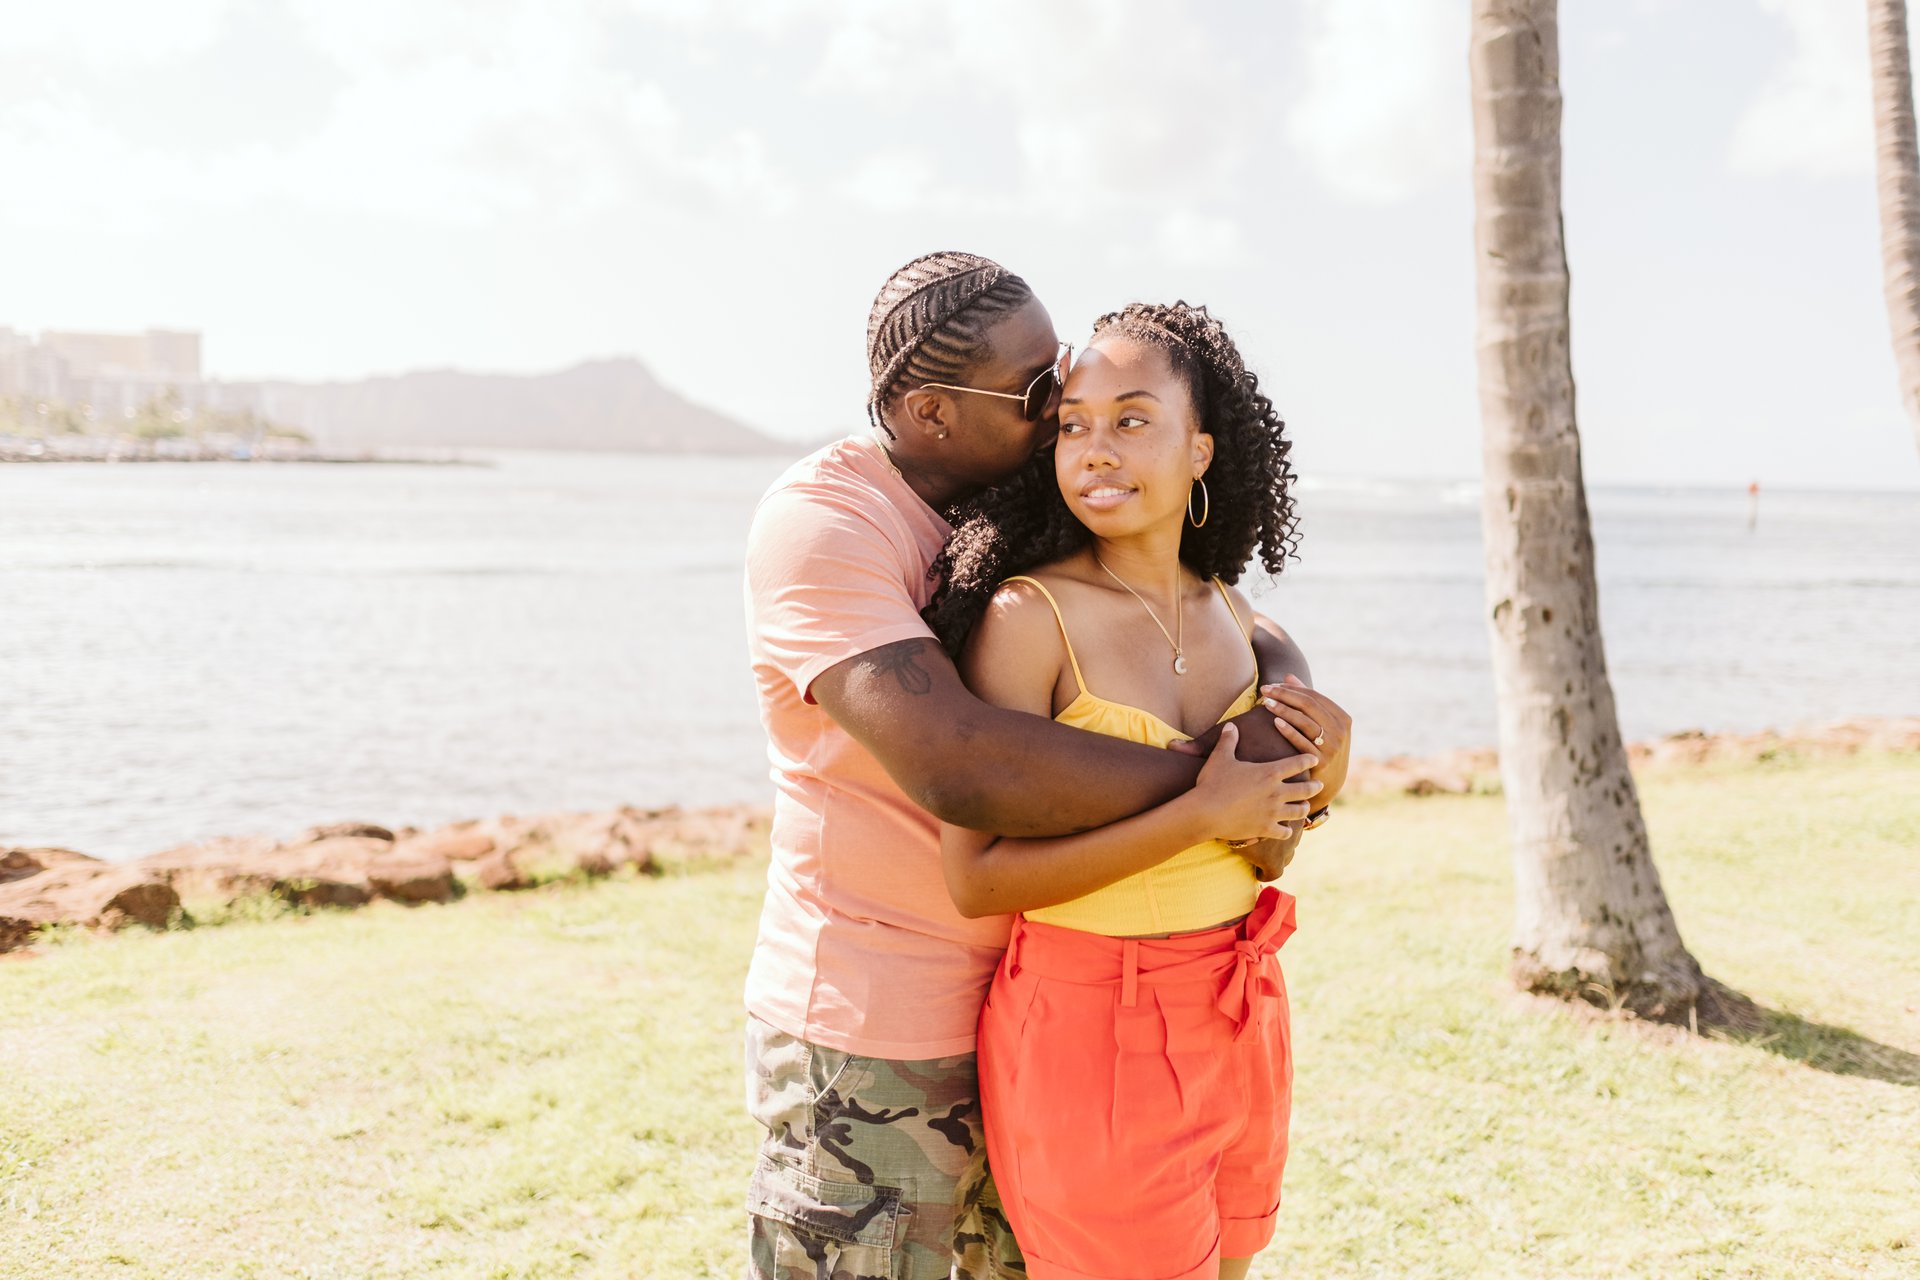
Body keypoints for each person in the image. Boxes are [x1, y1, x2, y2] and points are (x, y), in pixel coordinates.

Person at [742, 253, 1351, 1280]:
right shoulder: (826, 524)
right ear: (933, 412)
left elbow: (1208, 613)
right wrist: (1228, 786)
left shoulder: (1023, 506)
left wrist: (1289, 702)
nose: (1065, 415)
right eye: (1042, 399)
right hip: (882, 1024)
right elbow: (959, 762)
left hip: (1050, 1005)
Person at [929, 301, 1317, 1280]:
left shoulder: (1233, 616)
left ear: (1200, 449)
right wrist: (1197, 815)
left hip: (1240, 1003)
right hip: (1090, 1027)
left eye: (1132, 419)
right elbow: (976, 877)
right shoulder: (1031, 616)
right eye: (1074, 425)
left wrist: (1316, 767)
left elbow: (1270, 846)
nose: (1095, 448)